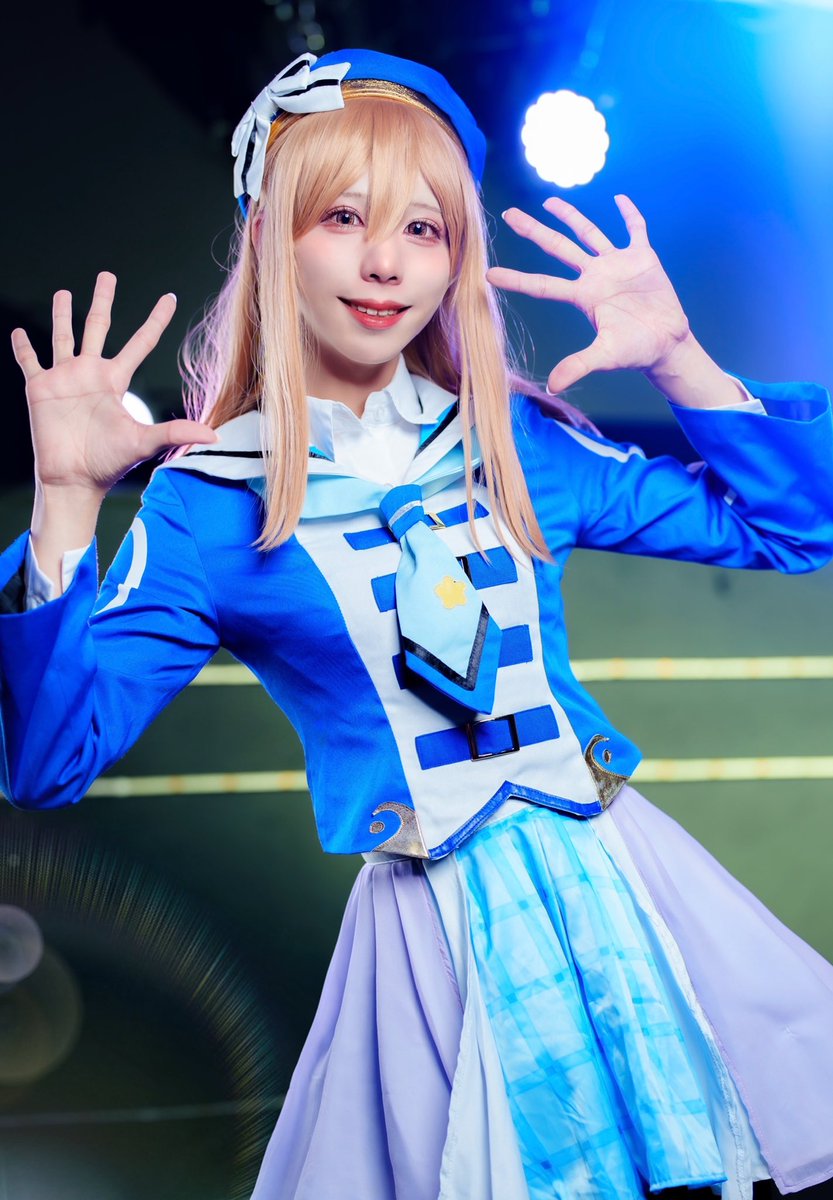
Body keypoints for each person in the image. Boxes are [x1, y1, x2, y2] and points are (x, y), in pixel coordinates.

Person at [2, 47, 832, 1200]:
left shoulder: (516, 443)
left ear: (455, 258)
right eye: (343, 217)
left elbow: (793, 529)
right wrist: (63, 508)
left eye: (424, 229)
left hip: (618, 894)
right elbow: (48, 761)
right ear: (270, 237)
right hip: (436, 940)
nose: (386, 263)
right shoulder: (210, 504)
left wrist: (680, 360)